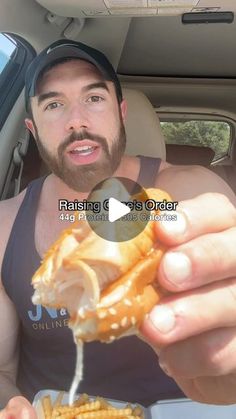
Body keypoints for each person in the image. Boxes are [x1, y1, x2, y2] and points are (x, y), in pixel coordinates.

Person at [0, 39, 236, 418]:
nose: (77, 120)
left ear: (121, 112)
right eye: (54, 104)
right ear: (32, 127)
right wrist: (13, 406)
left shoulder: (187, 190)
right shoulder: (5, 226)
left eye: (94, 98)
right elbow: (2, 371)